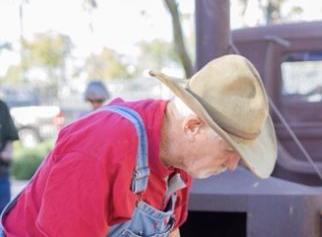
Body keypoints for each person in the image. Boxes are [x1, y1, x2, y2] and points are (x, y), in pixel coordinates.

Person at [0, 54, 277, 237]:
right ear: (192, 126)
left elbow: (170, 232)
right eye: (230, 151)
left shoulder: (180, 162)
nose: (232, 166)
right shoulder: (100, 148)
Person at [0, 99, 19, 213]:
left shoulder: (1, 106)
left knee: (4, 215)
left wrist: (7, 153)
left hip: (1, 174)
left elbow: (10, 137)